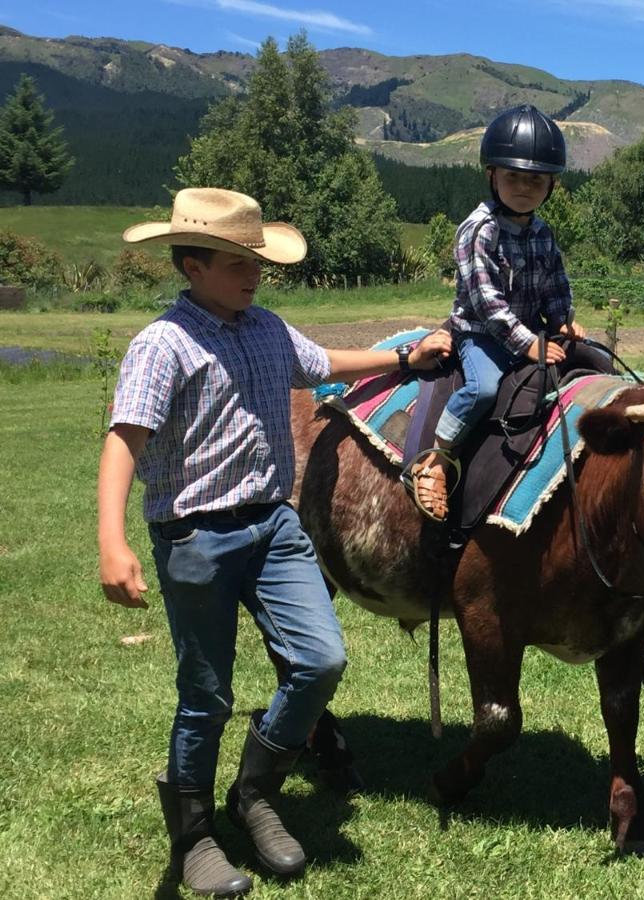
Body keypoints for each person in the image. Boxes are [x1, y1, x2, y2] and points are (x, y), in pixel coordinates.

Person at [98, 187, 451, 896]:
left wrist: (405, 363)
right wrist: (112, 539)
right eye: (235, 262)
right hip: (195, 535)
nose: (252, 273)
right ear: (192, 266)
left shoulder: (266, 328)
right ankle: (193, 836)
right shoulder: (161, 345)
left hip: (273, 527)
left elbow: (324, 362)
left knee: (320, 660)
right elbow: (124, 439)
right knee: (206, 695)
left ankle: (255, 793)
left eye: (255, 259)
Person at [407, 104, 585, 521]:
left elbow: (556, 283)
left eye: (536, 179)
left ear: (551, 185)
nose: (525, 187)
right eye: (514, 177)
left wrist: (562, 320)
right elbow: (488, 304)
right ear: (492, 175)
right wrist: (529, 345)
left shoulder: (543, 233)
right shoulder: (477, 231)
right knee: (483, 389)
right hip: (481, 335)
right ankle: (435, 460)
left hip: (532, 331)